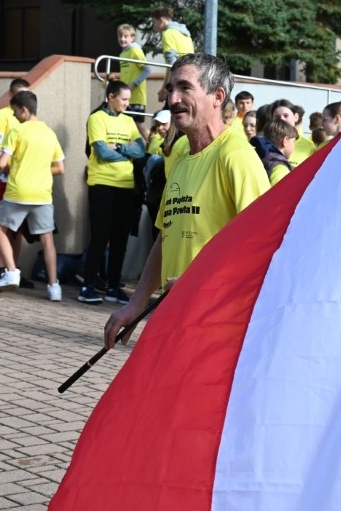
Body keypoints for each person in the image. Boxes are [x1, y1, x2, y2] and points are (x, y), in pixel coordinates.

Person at [104, 53, 269, 349]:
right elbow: (165, 238)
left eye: (185, 88)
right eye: (170, 90)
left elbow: (264, 248)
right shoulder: (182, 161)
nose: (173, 99)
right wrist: (136, 304)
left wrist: (206, 287)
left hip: (219, 329)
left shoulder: (236, 156)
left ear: (217, 96)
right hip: (175, 321)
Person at [0, 91, 65, 301]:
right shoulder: (50, 134)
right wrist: (40, 170)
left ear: (24, 109)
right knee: (47, 239)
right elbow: (60, 167)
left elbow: (2, 162)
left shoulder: (17, 131)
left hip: (18, 191)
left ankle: (12, 272)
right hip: (42, 194)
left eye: (15, 111)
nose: (13, 116)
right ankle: (54, 287)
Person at [78, 80, 146, 306]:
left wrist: (119, 148)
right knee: (100, 236)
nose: (127, 104)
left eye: (129, 99)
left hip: (125, 186)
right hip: (102, 184)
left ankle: (113, 287)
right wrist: (126, 153)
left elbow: (141, 151)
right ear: (111, 96)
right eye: (124, 99)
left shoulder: (129, 121)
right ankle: (87, 285)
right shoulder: (96, 118)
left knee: (120, 239)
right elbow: (101, 153)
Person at [0, 77, 33, 289]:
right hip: (2, 178)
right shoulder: (2, 116)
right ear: (11, 96)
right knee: (0, 226)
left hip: (20, 181)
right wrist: (8, 168)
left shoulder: (29, 119)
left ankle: (14, 269)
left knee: (18, 229)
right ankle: (1, 270)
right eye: (20, 94)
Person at [115, 23, 151, 140]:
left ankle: (155, 143)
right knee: (127, 124)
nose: (122, 39)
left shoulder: (135, 50)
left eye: (125, 36)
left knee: (136, 124)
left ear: (132, 37)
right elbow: (128, 73)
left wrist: (133, 84)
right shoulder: (122, 53)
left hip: (136, 97)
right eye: (120, 36)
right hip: (125, 96)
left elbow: (147, 69)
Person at [151, 6, 194, 101]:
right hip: (189, 78)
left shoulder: (167, 34)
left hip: (177, 80)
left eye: (154, 22)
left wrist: (165, 90)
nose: (153, 25)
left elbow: (172, 64)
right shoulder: (185, 34)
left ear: (161, 20)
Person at [271, 99, 316, 165]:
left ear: (296, 117)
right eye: (277, 117)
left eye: (286, 116)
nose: (282, 119)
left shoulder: (309, 147)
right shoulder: (265, 144)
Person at [257, 117, 298, 186]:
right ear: (285, 141)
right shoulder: (280, 169)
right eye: (293, 141)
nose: (294, 145)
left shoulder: (261, 158)